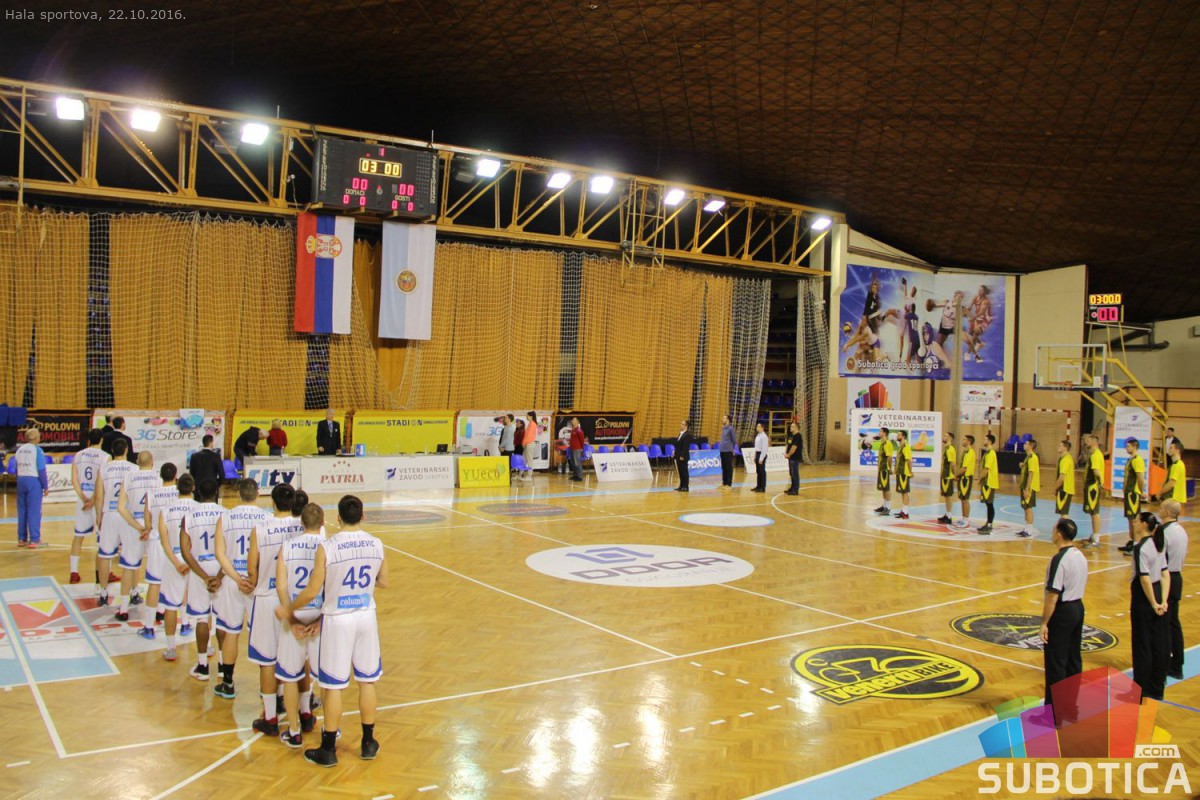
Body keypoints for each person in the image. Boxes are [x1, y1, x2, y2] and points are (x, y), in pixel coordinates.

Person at [278, 495, 387, 767]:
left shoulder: (328, 547)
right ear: (363, 516)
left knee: (333, 685)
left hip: (338, 619)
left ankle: (328, 749)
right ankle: (368, 742)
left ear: (337, 518)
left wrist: (290, 607)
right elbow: (384, 581)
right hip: (366, 615)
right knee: (367, 681)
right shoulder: (376, 543)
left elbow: (313, 590)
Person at [246, 483, 303, 735]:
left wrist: (252, 581)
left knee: (266, 660)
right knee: (299, 658)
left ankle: (270, 717)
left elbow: (252, 567)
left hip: (267, 598)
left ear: (272, 502)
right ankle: (304, 711)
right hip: (294, 600)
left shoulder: (260, 528)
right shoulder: (302, 526)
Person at [212, 478, 270, 699]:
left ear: (238, 494)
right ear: (258, 494)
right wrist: (253, 579)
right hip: (258, 583)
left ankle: (227, 682)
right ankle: (267, 689)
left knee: (231, 632)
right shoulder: (267, 518)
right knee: (263, 634)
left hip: (232, 581)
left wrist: (237, 578)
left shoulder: (225, 517)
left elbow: (220, 553)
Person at [275, 502, 326, 747]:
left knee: (289, 676)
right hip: (319, 614)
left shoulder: (287, 546)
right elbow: (333, 588)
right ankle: (329, 728)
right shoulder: (329, 547)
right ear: (323, 523)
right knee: (326, 678)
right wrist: (321, 620)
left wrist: (291, 618)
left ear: (301, 523)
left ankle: (294, 731)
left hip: (295, 612)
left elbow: (281, 586)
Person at [179, 478, 225, 681]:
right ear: (216, 493)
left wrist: (205, 577)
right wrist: (220, 576)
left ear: (198, 492)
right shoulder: (226, 514)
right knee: (223, 620)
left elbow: (185, 551)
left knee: (201, 618)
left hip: (200, 569)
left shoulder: (189, 516)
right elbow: (231, 549)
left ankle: (203, 666)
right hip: (221, 567)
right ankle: (223, 665)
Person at [1041, 518, 1088, 716]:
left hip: (1062, 611)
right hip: (1078, 607)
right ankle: (1070, 708)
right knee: (1073, 660)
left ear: (1059, 534)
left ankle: (1053, 715)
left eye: (1053, 529)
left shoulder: (1059, 559)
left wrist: (1044, 623)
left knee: (1056, 663)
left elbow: (1053, 594)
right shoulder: (1080, 555)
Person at [115, 452, 162, 625]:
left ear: (137, 462)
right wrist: (149, 526)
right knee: (157, 568)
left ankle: (123, 609)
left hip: (134, 525)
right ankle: (159, 610)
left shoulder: (129, 477)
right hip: (153, 527)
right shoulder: (158, 478)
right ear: (152, 462)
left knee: (129, 567)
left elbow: (121, 507)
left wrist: (136, 525)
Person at [1129, 511, 1170, 701]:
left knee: (1142, 644)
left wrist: (1153, 603)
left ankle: (1139, 691)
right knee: (1158, 643)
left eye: (1137, 520)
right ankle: (1157, 687)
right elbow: (1164, 574)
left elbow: (1144, 578)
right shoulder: (1158, 543)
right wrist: (1163, 600)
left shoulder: (1141, 548)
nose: (1134, 523)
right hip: (1159, 592)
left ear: (1144, 524)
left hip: (1144, 597)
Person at [157, 473, 197, 663]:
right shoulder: (199, 509)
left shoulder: (166, 510)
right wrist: (190, 561)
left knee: (171, 605)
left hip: (174, 560)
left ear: (177, 488)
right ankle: (207, 647)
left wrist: (176, 562)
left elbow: (164, 541)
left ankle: (171, 648)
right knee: (202, 605)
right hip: (195, 561)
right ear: (193, 488)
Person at [94, 438, 138, 607]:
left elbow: (99, 495)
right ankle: (133, 592)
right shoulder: (134, 468)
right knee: (132, 555)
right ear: (126, 450)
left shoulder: (104, 468)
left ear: (112, 451)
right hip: (128, 515)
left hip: (110, 514)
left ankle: (103, 593)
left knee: (105, 555)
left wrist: (99, 515)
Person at [139, 462, 180, 638]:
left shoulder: (152, 493)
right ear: (175, 476)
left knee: (154, 583)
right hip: (176, 543)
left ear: (160, 476)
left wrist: (148, 528)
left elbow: (147, 521)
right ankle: (185, 623)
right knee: (178, 582)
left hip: (157, 542)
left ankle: (149, 626)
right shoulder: (180, 493)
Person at [70, 429, 110, 583]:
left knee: (78, 536)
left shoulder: (78, 455)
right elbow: (103, 482)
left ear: (88, 440)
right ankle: (101, 575)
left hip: (83, 498)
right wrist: (93, 500)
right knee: (102, 539)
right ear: (101, 440)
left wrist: (84, 498)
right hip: (98, 499)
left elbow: (74, 480)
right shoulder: (105, 457)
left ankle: (74, 572)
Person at [1160, 499, 1187, 680]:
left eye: (1162, 507)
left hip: (1167, 578)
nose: (1159, 509)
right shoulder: (1181, 530)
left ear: (1168, 512)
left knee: (1164, 624)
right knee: (1173, 623)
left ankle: (1165, 665)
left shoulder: (1164, 532)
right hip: (1177, 577)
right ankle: (1177, 664)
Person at [15, 428, 49, 549]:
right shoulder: (37, 450)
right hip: (33, 481)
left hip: (21, 480)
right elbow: (41, 470)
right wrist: (45, 486)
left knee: (22, 510)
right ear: (37, 438)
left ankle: (22, 538)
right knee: (34, 511)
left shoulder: (19, 450)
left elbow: (16, 469)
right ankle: (35, 539)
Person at [1118, 438, 1146, 554]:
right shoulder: (1131, 459)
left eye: (1128, 446)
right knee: (1130, 519)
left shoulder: (1137, 460)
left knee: (1134, 520)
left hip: (1133, 494)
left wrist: (1141, 491)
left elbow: (1140, 478)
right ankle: (1132, 542)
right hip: (1128, 493)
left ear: (1134, 446)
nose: (1126, 448)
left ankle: (1136, 546)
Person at [1082, 435, 1105, 548]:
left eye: (1088, 440)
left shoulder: (1095, 455)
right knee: (1092, 512)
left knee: (1095, 512)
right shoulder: (1094, 454)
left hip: (1093, 487)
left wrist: (1100, 483)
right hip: (1091, 486)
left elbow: (1096, 472)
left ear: (1094, 442)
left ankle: (1096, 539)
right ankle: (1094, 536)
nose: (1086, 442)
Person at [1017, 439, 1040, 539]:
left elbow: (1031, 474)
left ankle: (1029, 530)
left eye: (1026, 443)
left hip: (1029, 487)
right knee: (1025, 507)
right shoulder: (1028, 457)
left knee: (1028, 508)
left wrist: (1027, 489)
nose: (1024, 445)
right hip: (1024, 485)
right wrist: (1023, 465)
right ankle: (1026, 529)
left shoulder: (1033, 458)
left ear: (1031, 446)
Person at [977, 434, 999, 535]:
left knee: (989, 504)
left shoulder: (991, 453)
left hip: (989, 482)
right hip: (987, 481)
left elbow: (986, 469)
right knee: (987, 503)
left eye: (985, 439)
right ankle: (988, 523)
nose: (983, 440)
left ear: (990, 441)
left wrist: (979, 478)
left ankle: (989, 525)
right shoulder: (987, 452)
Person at [1154, 440, 1187, 506]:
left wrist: (1159, 493)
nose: (1169, 449)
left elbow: (1171, 484)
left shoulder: (1176, 465)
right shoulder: (1179, 464)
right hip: (1176, 498)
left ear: (1177, 450)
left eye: (1171, 448)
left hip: (1173, 498)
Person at [956, 434, 976, 527]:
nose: (962, 441)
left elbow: (964, 468)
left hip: (966, 478)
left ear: (969, 441)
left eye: (964, 439)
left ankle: (966, 519)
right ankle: (963, 517)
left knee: (965, 499)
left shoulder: (970, 452)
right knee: (962, 499)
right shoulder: (965, 451)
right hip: (962, 478)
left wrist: (955, 475)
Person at [872, 427, 894, 515]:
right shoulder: (882, 443)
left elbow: (889, 457)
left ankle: (888, 507)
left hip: (885, 468)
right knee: (883, 488)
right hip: (881, 468)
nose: (879, 433)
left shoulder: (887, 443)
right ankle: (884, 506)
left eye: (880, 431)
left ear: (884, 433)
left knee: (886, 488)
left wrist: (890, 468)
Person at [891, 430, 912, 519]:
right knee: (902, 492)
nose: (897, 436)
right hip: (900, 472)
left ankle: (906, 512)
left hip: (904, 473)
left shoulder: (906, 446)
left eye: (899, 435)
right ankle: (903, 510)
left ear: (903, 436)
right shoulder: (900, 446)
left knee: (905, 492)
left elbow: (908, 460)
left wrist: (910, 471)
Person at [937, 432, 957, 525]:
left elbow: (952, 464)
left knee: (948, 496)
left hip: (948, 476)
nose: (943, 437)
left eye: (945, 436)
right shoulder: (946, 448)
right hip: (945, 475)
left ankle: (949, 516)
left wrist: (955, 475)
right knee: (946, 496)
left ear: (950, 438)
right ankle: (947, 514)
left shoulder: (950, 449)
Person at [1054, 439, 1075, 520]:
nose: (1058, 447)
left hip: (1064, 489)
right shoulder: (1064, 458)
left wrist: (1054, 488)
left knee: (1064, 514)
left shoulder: (1065, 460)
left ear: (1065, 448)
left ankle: (1066, 527)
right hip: (1066, 489)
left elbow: (1061, 478)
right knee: (1063, 513)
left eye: (1060, 446)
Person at [674, 420, 694, 493]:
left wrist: (682, 455)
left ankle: (685, 486)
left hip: (683, 456)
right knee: (680, 471)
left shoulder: (688, 435)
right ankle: (681, 485)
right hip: (678, 455)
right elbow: (678, 445)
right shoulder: (680, 434)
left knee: (684, 471)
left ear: (686, 426)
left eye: (682, 424)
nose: (681, 425)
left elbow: (685, 447)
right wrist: (675, 453)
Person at [718, 415, 737, 489]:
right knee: (724, 467)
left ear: (728, 420)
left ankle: (729, 484)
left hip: (728, 450)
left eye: (724, 418)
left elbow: (734, 440)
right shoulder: (723, 428)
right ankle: (724, 483)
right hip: (722, 450)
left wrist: (732, 448)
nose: (722, 419)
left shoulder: (731, 429)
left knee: (729, 467)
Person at [784, 422, 802, 496]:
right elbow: (788, 445)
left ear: (796, 428)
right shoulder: (791, 436)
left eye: (792, 426)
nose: (790, 428)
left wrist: (789, 454)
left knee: (795, 473)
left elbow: (794, 447)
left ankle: (795, 490)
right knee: (791, 473)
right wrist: (786, 453)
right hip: (790, 458)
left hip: (795, 458)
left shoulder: (798, 436)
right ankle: (792, 488)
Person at [521, 412, 538, 481]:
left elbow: (529, 436)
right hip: (527, 443)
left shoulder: (533, 424)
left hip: (529, 443)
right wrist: (524, 442)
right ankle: (520, 474)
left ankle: (529, 475)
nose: (526, 417)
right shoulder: (530, 423)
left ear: (531, 416)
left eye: (527, 416)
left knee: (529, 460)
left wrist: (524, 443)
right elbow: (526, 435)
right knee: (524, 459)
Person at [567, 417, 586, 482]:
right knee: (573, 462)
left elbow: (582, 440)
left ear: (577, 422)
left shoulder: (579, 430)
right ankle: (575, 475)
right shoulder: (573, 429)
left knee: (577, 462)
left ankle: (579, 476)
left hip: (577, 449)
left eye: (574, 420)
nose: (572, 421)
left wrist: (581, 448)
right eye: (572, 420)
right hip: (572, 448)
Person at [752, 423, 769, 493]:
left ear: (762, 427)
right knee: (758, 471)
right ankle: (758, 486)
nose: (757, 427)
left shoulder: (764, 437)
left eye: (758, 426)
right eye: (757, 426)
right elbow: (757, 447)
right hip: (757, 453)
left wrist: (761, 458)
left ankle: (762, 487)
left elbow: (764, 448)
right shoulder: (758, 436)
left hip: (761, 454)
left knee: (762, 471)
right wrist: (755, 455)